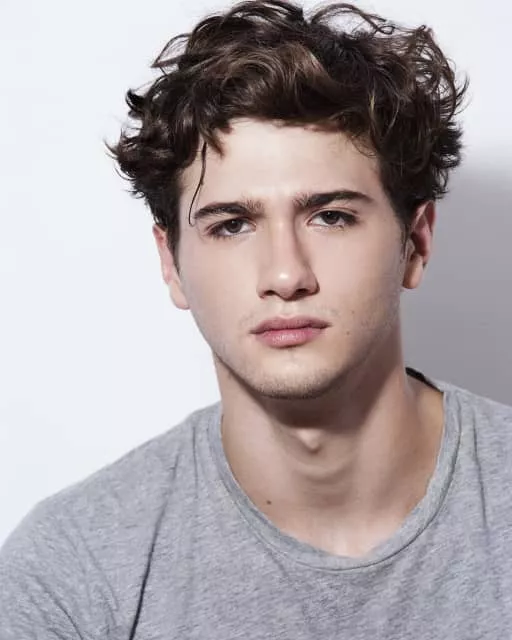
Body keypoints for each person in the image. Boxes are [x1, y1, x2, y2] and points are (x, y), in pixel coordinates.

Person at [1, 0, 511, 637]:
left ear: (417, 242)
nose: (286, 275)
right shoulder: (70, 576)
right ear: (171, 262)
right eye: (232, 225)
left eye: (331, 217)